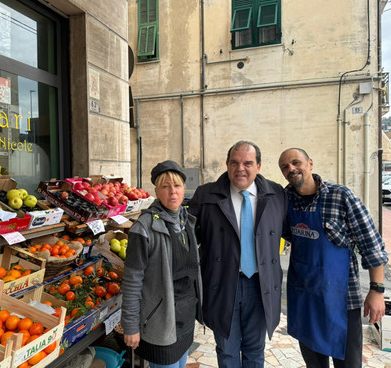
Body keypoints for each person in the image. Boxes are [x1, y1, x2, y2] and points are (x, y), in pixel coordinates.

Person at [278, 148, 388, 368]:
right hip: (305, 299)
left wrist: (377, 291)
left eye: (296, 162)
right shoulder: (285, 200)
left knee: (348, 364)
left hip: (343, 301)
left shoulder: (340, 196)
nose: (291, 169)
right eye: (285, 167)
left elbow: (372, 245)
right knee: (314, 364)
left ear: (310, 163)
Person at [189, 141, 288, 368]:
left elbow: (292, 230)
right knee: (226, 351)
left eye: (247, 163)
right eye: (234, 162)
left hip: (260, 285)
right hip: (222, 285)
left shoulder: (276, 194)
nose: (240, 168)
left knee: (255, 350)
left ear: (259, 166)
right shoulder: (206, 195)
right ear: (227, 164)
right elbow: (187, 237)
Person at [121, 160, 203, 368]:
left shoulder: (187, 221)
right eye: (165, 186)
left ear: (184, 189)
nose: (172, 192)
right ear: (157, 191)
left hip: (186, 315)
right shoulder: (144, 229)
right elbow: (132, 281)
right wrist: (131, 326)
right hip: (161, 319)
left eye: (177, 186)